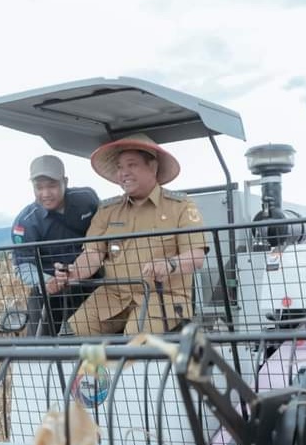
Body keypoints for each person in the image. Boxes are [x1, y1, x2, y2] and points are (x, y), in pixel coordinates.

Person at [65, 133, 207, 335]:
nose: (124, 173)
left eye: (132, 165)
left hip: (164, 296)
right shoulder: (107, 210)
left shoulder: (181, 206)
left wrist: (169, 264)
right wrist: (73, 272)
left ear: (153, 167)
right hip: (114, 295)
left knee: (136, 334)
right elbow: (93, 253)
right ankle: (99, 368)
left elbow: (196, 256)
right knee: (80, 325)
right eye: (120, 167)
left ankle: (124, 365)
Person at [11, 154, 100, 335]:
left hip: (91, 284)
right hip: (49, 293)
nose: (45, 193)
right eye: (39, 187)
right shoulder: (25, 223)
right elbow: (22, 266)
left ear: (65, 182)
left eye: (51, 185)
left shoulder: (87, 200)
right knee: (37, 351)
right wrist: (46, 282)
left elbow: (103, 231)